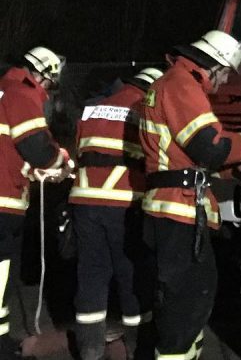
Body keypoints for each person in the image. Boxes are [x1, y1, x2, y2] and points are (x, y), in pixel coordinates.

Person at [139, 31, 241, 360]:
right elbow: (211, 146)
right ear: (214, 66)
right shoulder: (181, 85)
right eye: (225, 74)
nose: (223, 82)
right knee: (184, 304)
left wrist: (234, 172)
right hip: (178, 210)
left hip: (172, 207)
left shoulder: (173, 83)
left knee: (190, 298)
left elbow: (184, 157)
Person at [70, 66, 163, 360]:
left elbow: (78, 150)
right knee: (131, 273)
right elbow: (155, 157)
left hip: (84, 201)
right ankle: (139, 344)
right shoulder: (143, 110)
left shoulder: (93, 110)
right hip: (124, 202)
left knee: (91, 272)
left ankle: (90, 347)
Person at [0, 47, 73, 358]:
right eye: (48, 83)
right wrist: (62, 161)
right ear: (42, 74)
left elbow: (9, 151)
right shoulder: (22, 93)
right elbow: (37, 147)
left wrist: (31, 169)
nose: (46, 91)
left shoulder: (4, 91)